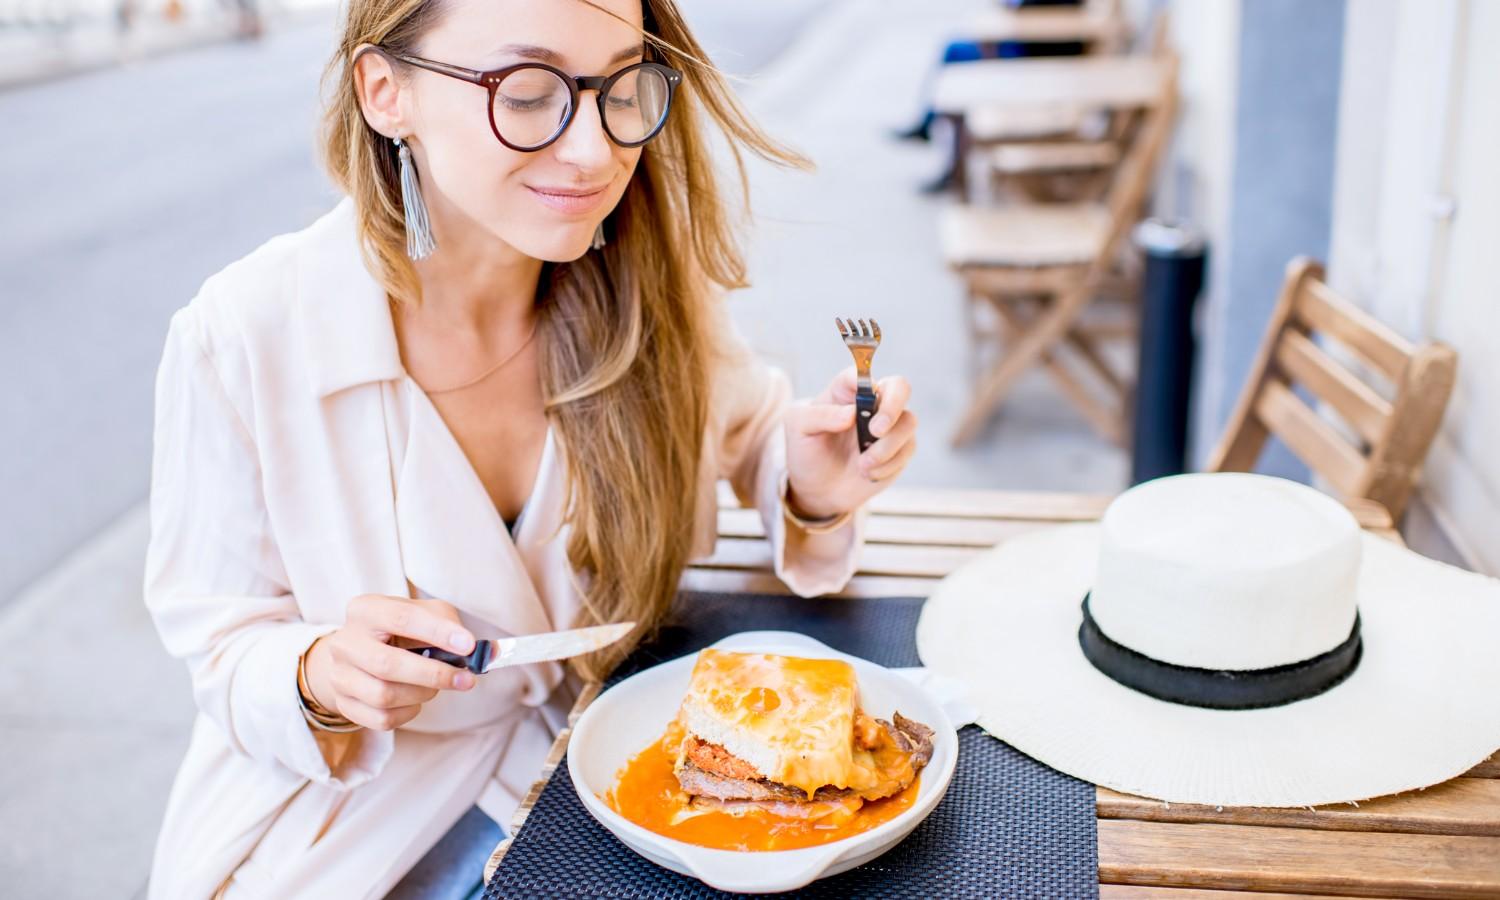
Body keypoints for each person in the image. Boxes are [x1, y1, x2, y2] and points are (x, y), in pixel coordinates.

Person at [141, 0, 918, 897]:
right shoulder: (244, 334)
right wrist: (318, 675)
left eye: (622, 85)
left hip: (601, 782)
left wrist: (813, 484)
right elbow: (222, 646)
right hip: (345, 829)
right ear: (386, 91)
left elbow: (754, 436)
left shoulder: (646, 285)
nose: (596, 150)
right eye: (527, 90)